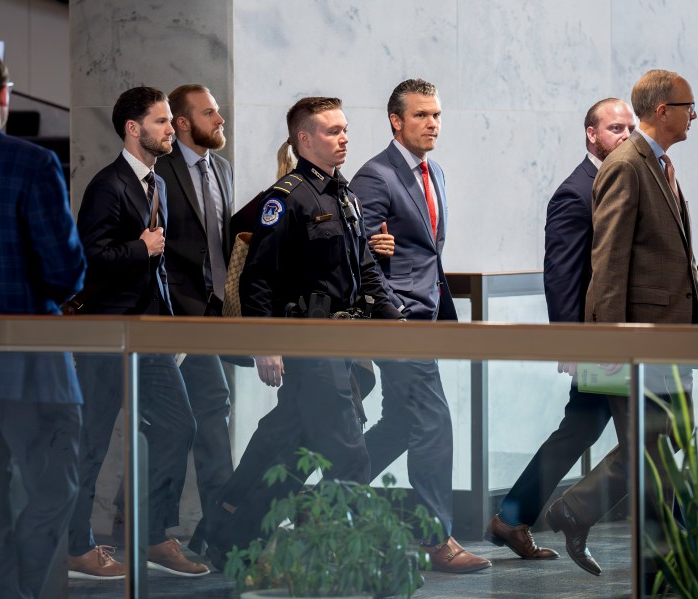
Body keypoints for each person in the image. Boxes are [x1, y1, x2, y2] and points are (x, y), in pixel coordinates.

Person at [202, 96, 404, 568]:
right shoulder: (286, 198)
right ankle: (355, 555)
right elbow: (259, 280)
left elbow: (365, 269)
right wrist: (266, 345)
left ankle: (228, 539)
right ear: (304, 139)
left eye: (346, 128)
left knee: (290, 452)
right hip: (308, 347)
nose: (344, 137)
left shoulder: (343, 193)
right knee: (350, 456)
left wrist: (396, 321)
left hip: (343, 344)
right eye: (333, 131)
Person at [543, 69, 698, 578]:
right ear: (663, 110)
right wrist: (608, 340)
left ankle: (578, 509)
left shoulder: (661, 165)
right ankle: (667, 558)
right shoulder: (626, 165)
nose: (693, 115)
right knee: (653, 445)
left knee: (662, 439)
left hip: (669, 338)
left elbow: (680, 260)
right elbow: (609, 261)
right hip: (636, 338)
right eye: (688, 105)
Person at [485, 99, 636, 575]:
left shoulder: (622, 181)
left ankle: (512, 517)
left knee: (585, 426)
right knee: (647, 432)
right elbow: (563, 275)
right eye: (615, 128)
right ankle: (669, 536)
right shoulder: (576, 192)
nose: (626, 136)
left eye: (631, 127)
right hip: (598, 341)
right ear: (590, 134)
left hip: (622, 337)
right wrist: (571, 342)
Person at [351, 78, 490, 574]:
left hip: (425, 317)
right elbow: (354, 253)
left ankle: (324, 495)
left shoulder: (436, 173)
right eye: (421, 116)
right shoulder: (375, 176)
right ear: (396, 121)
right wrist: (391, 301)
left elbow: (428, 252)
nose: (432, 124)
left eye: (436, 115)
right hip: (395, 323)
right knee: (433, 423)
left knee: (403, 424)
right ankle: (437, 540)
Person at [69, 86, 209, 578]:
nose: (172, 128)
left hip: (149, 334)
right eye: (161, 121)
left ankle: (150, 535)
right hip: (106, 333)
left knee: (178, 426)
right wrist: (141, 247)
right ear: (134, 129)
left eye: (170, 120)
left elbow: (159, 269)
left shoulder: (159, 185)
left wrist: (171, 330)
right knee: (91, 442)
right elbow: (90, 260)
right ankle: (78, 546)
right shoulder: (108, 186)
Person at [0, 53, 87, 599]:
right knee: (55, 488)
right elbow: (65, 272)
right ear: (4, 96)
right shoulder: (28, 164)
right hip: (30, 358)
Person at [154, 84, 234, 554]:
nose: (219, 119)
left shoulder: (221, 168)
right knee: (201, 416)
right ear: (183, 122)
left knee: (203, 419)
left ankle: (211, 530)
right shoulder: (158, 170)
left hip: (220, 316)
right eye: (209, 113)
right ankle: (208, 533)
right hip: (177, 316)